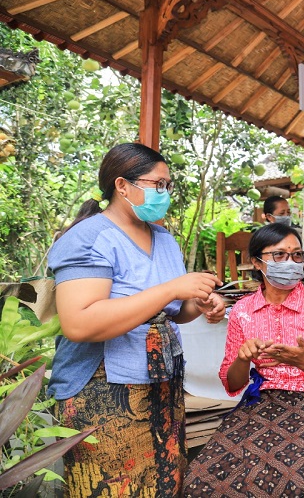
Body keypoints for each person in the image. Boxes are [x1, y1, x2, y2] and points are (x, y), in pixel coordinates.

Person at [47, 143, 226, 497]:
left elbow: (174, 310)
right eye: (157, 184)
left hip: (161, 388)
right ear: (122, 186)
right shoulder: (88, 239)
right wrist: (172, 288)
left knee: (164, 483)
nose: (164, 193)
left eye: (168, 186)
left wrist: (200, 303)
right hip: (101, 393)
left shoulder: (163, 239)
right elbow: (80, 324)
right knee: (114, 487)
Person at [184, 223, 304, 496]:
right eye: (279, 255)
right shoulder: (243, 310)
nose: (290, 262)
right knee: (200, 483)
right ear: (257, 262)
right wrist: (243, 359)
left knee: (291, 485)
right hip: (261, 403)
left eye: (297, 255)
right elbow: (232, 384)